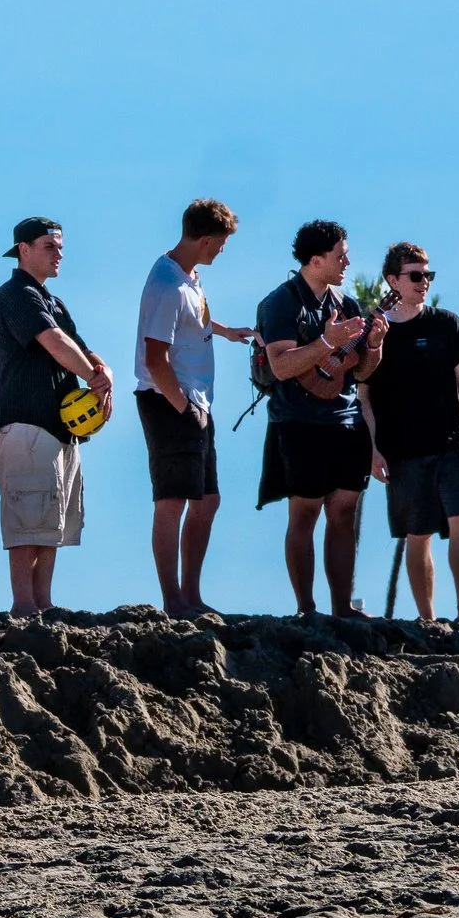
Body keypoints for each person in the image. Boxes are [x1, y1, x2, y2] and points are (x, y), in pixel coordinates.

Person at [256, 220, 387, 617]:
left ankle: (342, 607)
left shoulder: (345, 305)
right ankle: (306, 608)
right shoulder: (281, 302)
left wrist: (375, 344)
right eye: (339, 254)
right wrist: (327, 340)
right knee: (306, 512)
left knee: (344, 513)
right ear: (315, 260)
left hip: (346, 419)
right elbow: (280, 366)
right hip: (298, 421)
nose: (347, 261)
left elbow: (361, 372)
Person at [0, 217, 110, 616]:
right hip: (25, 426)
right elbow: (54, 341)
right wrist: (93, 378)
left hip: (57, 430)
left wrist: (105, 376)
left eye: (60, 246)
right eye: (49, 246)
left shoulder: (51, 301)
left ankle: (42, 604)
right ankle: (24, 606)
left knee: (50, 524)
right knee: (26, 523)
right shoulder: (17, 294)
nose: (59, 254)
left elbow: (82, 348)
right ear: (24, 250)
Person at [132, 199, 253, 616]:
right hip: (169, 400)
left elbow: (192, 318)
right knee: (173, 500)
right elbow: (154, 356)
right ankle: (174, 600)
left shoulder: (189, 277)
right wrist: (181, 405)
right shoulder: (166, 283)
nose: (222, 250)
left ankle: (192, 595)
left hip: (196, 402)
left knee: (207, 500)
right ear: (205, 240)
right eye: (220, 243)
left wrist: (224, 331)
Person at [358, 242, 459, 622]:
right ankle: (427, 620)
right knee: (418, 533)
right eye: (415, 275)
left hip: (449, 443)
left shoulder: (446, 323)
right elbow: (363, 396)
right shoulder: (372, 330)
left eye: (427, 275)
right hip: (401, 451)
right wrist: (373, 449)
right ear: (392, 280)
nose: (423, 282)